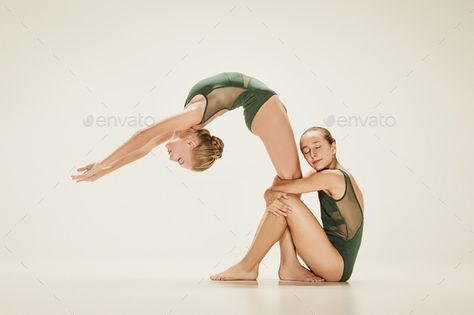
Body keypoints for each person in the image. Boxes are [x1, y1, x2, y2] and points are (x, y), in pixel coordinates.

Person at [71, 71, 323, 282]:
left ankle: (267, 266)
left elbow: (144, 133)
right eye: (178, 161)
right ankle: (284, 265)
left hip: (262, 102)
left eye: (179, 160)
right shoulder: (184, 128)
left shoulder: (191, 118)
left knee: (290, 184)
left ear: (190, 142)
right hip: (258, 105)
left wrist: (103, 162)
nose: (171, 158)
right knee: (289, 186)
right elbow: (142, 149)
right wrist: (103, 171)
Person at [210, 127, 364, 282]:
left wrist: (268, 195)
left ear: (333, 147)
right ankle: (288, 266)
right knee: (284, 197)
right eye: (306, 151)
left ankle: (248, 266)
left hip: (336, 266)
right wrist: (272, 193)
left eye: (317, 147)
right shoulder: (322, 174)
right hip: (327, 256)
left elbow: (279, 187)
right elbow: (282, 181)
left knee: (285, 199)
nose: (313, 154)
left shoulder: (334, 177)